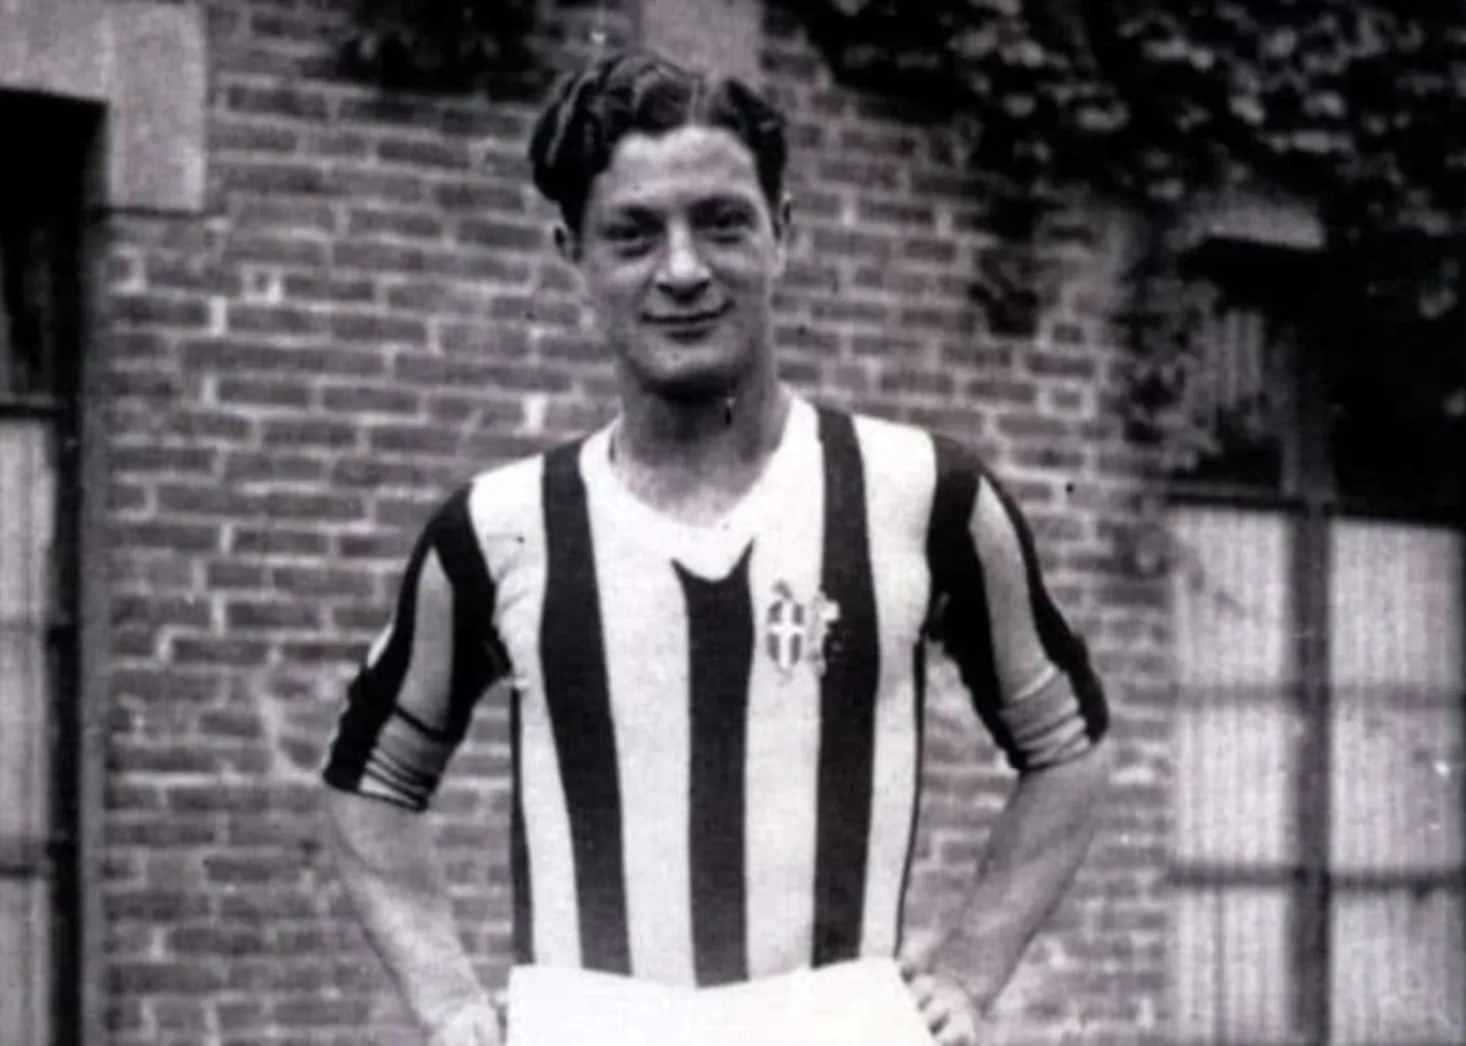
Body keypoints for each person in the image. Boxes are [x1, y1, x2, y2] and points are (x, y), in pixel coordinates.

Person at [320, 49, 1112, 1046]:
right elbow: (371, 784)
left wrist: (965, 973)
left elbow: (1066, 746)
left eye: (723, 222)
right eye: (633, 234)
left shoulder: (924, 495)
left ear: (782, 231)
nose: (683, 269)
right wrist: (447, 1003)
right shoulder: (496, 527)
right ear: (572, 253)